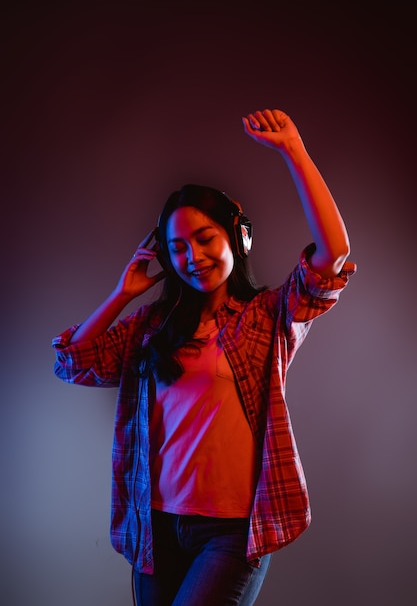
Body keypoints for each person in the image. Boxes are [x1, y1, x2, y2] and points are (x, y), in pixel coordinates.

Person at [52, 108, 356, 606]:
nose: (192, 256)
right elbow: (73, 361)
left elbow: (333, 254)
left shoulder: (266, 318)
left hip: (233, 533)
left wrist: (294, 150)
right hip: (158, 526)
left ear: (236, 236)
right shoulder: (153, 330)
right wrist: (121, 295)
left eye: (204, 238)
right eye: (177, 248)